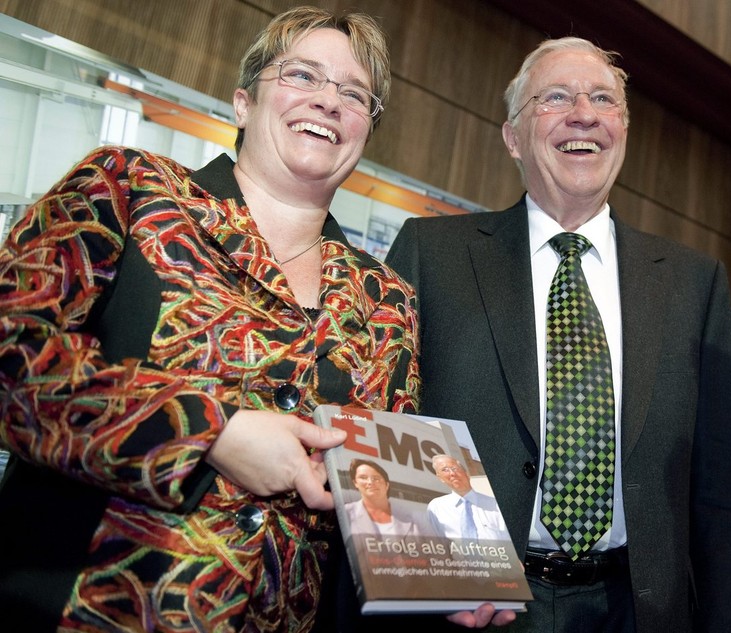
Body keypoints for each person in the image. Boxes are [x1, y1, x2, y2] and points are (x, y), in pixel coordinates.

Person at [0, 6, 419, 632]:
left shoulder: (387, 299)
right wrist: (210, 432)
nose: (329, 102)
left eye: (354, 94)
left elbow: (385, 488)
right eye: (303, 76)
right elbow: (12, 355)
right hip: (81, 610)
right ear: (244, 103)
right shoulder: (128, 191)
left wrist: (446, 582)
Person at [386, 36, 731, 632]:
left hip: (636, 611)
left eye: (603, 100)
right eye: (555, 97)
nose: (583, 113)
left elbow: (725, 494)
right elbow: (389, 424)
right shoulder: (433, 255)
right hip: (469, 607)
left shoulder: (694, 284)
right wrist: (425, 580)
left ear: (623, 131)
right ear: (512, 137)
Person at [426, 454, 510, 542]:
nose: (452, 473)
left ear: (466, 473)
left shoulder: (495, 504)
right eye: (445, 470)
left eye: (454, 468)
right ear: (440, 478)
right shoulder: (436, 507)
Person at [345, 458, 424, 537]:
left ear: (387, 485)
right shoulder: (345, 513)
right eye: (363, 477)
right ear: (355, 483)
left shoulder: (413, 518)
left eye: (376, 478)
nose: (370, 482)